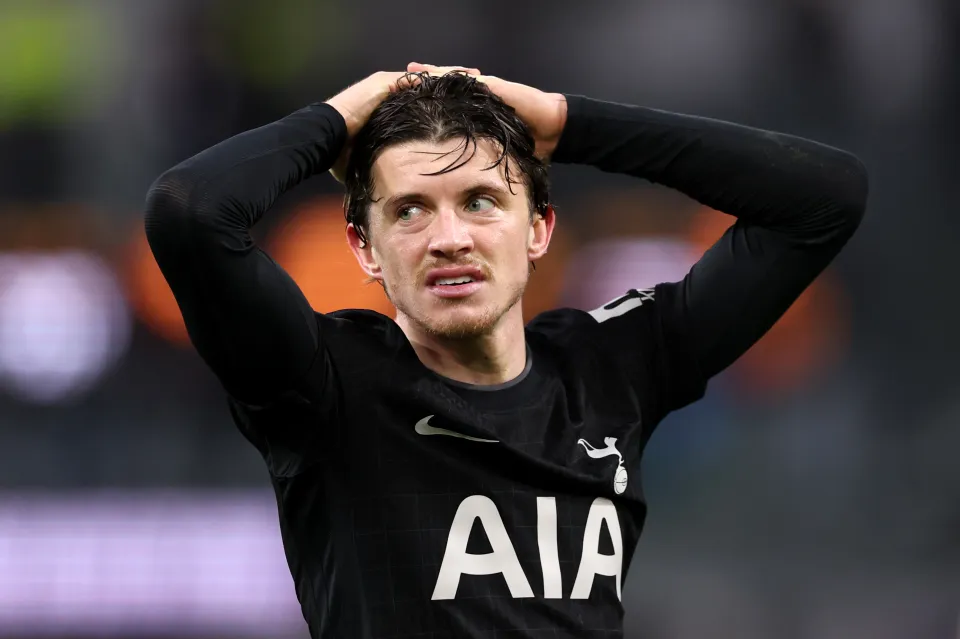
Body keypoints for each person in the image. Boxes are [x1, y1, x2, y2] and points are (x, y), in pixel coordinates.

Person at [144, 62, 868, 638]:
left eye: (481, 201)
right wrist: (338, 118)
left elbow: (823, 196)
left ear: (540, 230)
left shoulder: (613, 364)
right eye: (409, 210)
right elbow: (190, 210)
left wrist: (566, 123)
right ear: (365, 248)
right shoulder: (325, 386)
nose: (448, 236)